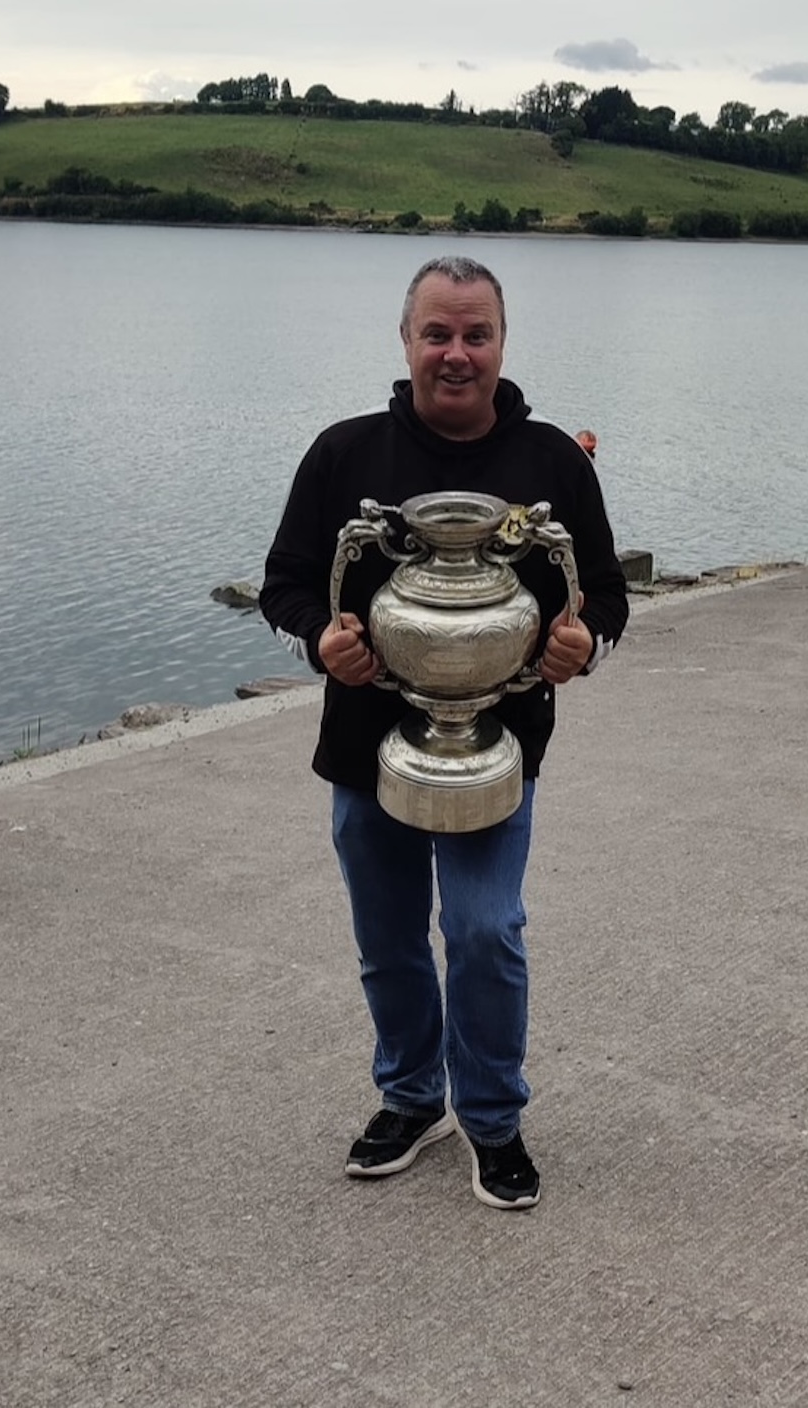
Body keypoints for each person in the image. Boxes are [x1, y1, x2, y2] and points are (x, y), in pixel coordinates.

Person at [260, 255, 628, 1210]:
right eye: (438, 334)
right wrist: (320, 636)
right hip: (363, 748)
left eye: (476, 335)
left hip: (499, 748)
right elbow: (286, 580)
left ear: (502, 345)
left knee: (484, 929)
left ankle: (494, 1118)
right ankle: (413, 1097)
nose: (456, 354)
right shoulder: (344, 454)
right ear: (407, 340)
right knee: (387, 939)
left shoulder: (552, 462)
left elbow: (610, 596)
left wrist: (582, 643)